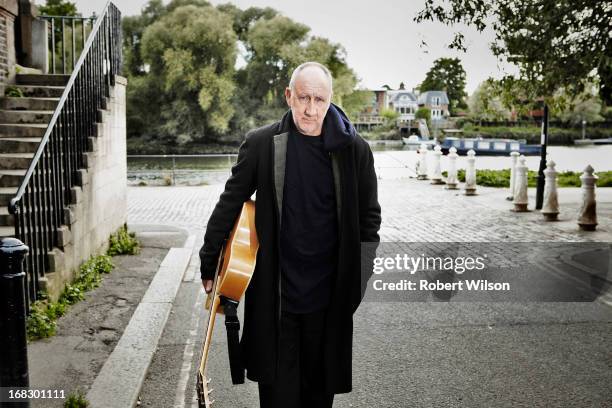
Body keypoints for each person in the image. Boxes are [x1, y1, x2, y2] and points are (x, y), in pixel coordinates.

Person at [199, 61, 381, 408]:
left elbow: (369, 221)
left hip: (328, 306)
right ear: (288, 96)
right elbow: (230, 203)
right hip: (276, 301)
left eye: (319, 100)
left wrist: (357, 283)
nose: (310, 109)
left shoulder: (354, 150)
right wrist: (210, 263)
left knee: (317, 401)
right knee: (278, 401)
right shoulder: (262, 144)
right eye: (303, 98)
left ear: (330, 100)